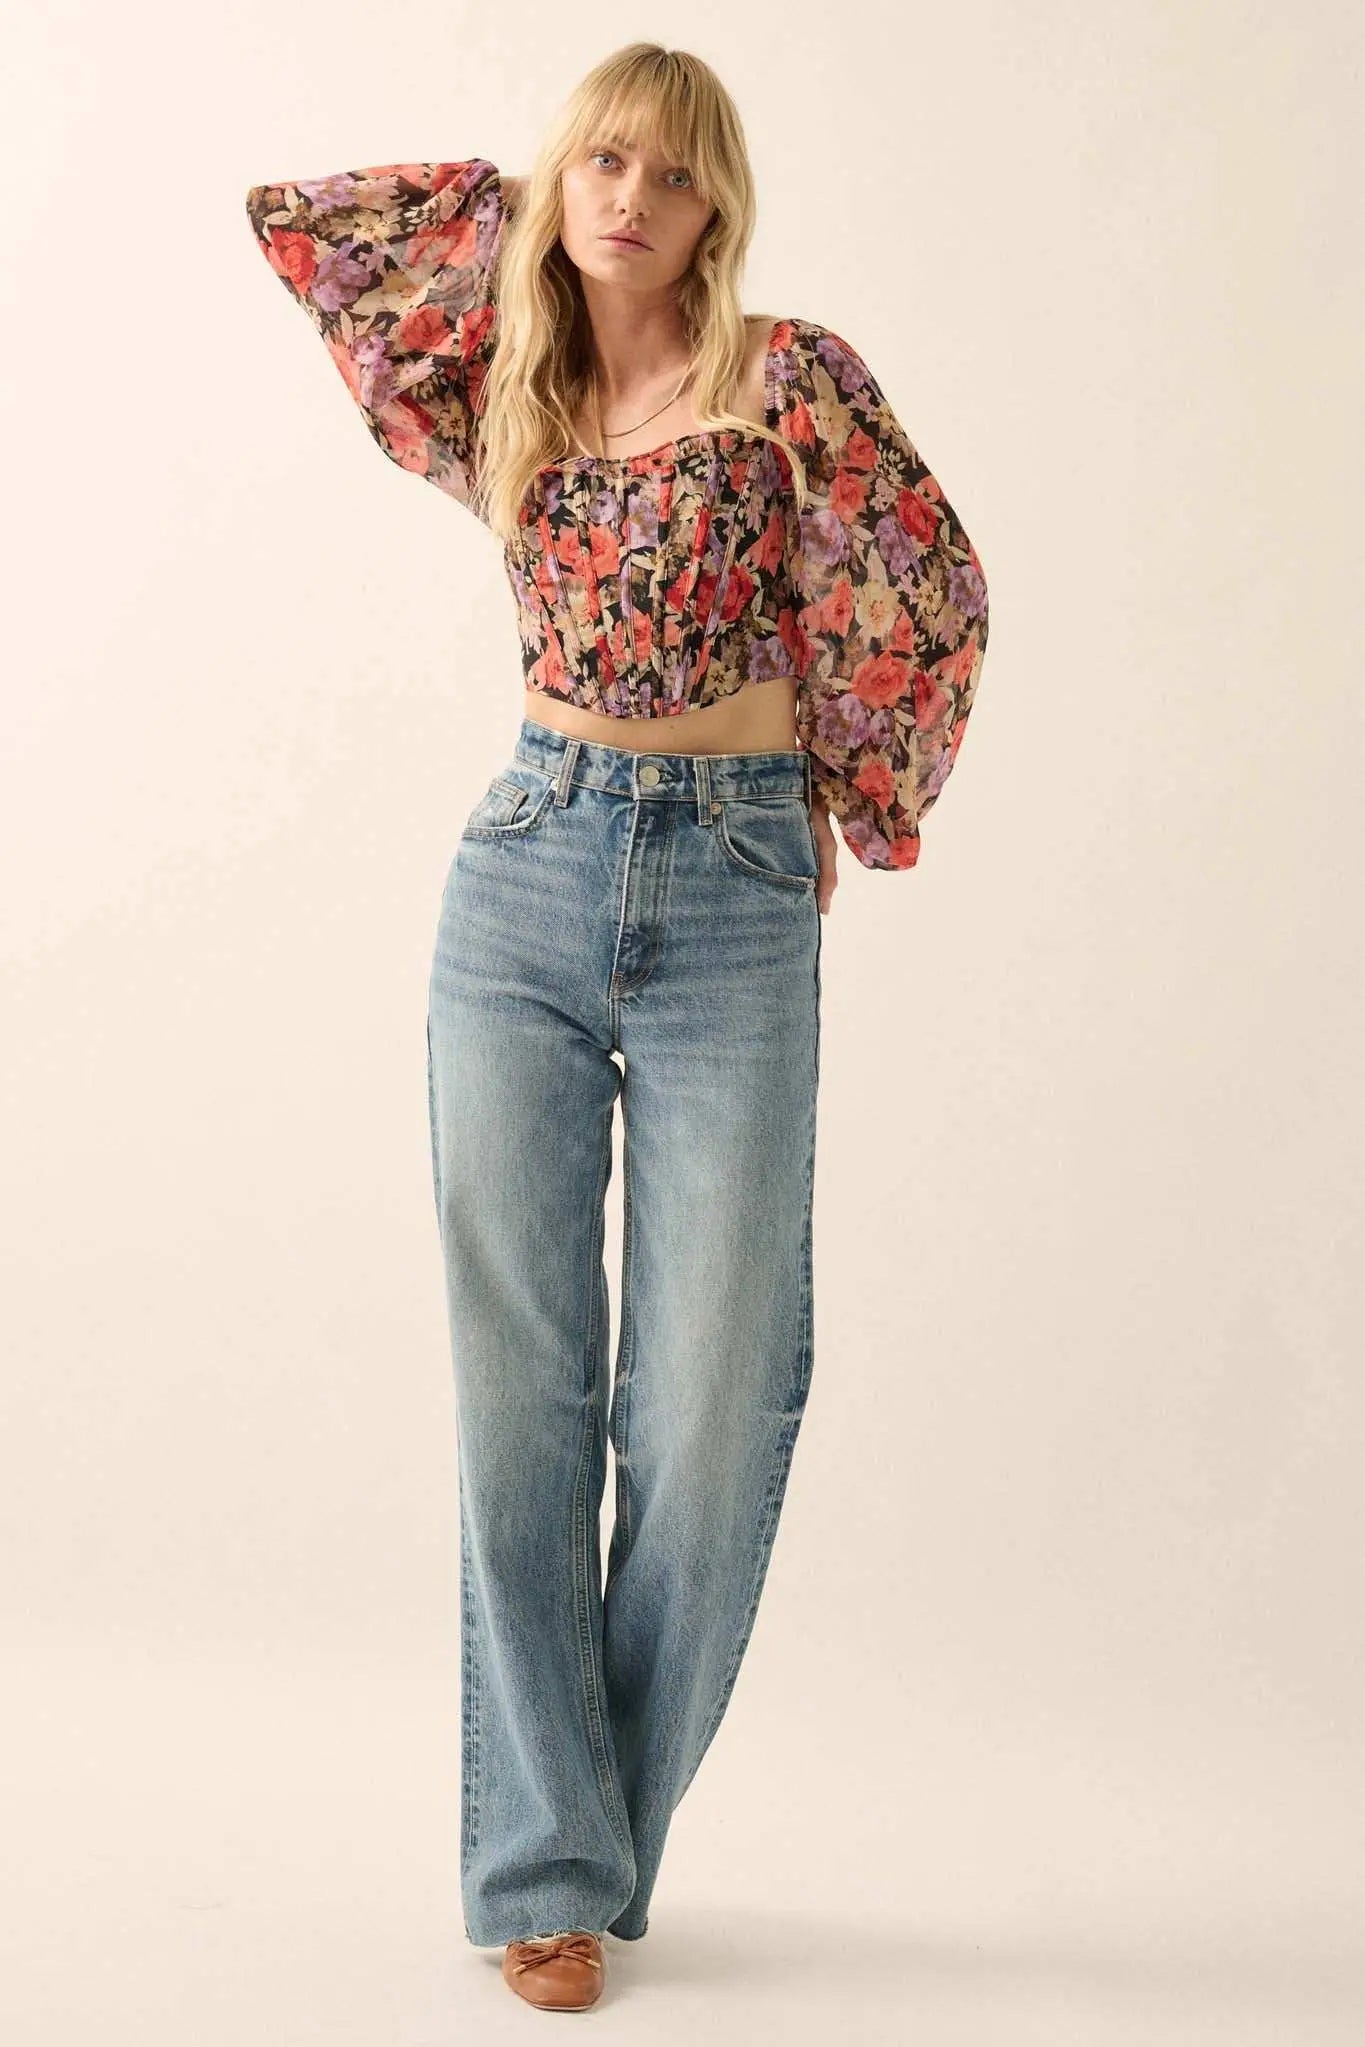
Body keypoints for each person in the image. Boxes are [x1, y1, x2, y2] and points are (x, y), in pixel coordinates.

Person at [245, 38, 989, 2014]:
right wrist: (537, 220)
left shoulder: (786, 379)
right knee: (522, 1392)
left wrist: (837, 783)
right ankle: (548, 1869)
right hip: (524, 874)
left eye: (670, 172)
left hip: (732, 886)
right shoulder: (508, 379)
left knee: (719, 1398)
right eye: (600, 162)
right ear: (555, 178)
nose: (629, 197)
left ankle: (586, 1829)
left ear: (718, 205)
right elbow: (313, 228)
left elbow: (928, 585)